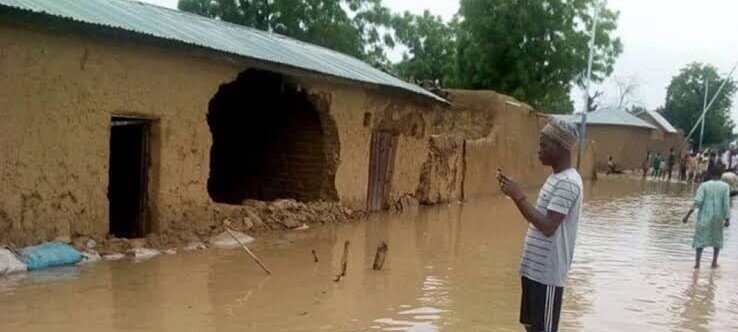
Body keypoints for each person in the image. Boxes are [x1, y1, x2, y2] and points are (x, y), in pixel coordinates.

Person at [497, 118, 582, 332]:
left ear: (560, 148)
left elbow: (547, 226)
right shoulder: (556, 178)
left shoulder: (567, 182)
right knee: (532, 327)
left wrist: (518, 196)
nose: (539, 150)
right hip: (534, 270)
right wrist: (515, 194)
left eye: (544, 145)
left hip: (548, 273)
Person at [682, 166, 731, 269]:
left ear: (710, 174)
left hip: (704, 217)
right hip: (718, 217)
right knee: (717, 239)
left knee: (700, 240)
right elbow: (726, 204)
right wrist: (727, 218)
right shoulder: (725, 186)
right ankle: (714, 262)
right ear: (720, 175)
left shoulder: (704, 185)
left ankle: (697, 264)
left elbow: (697, 202)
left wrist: (687, 215)